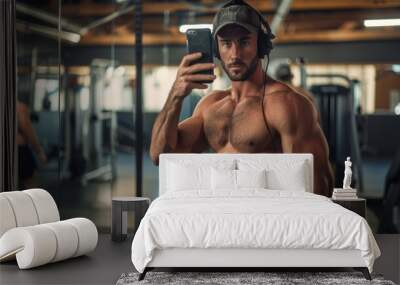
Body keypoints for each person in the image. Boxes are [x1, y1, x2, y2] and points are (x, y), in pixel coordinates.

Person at [150, 0, 333, 197]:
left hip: (268, 218)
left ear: (261, 46)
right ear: (216, 49)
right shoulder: (210, 106)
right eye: (226, 44)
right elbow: (161, 155)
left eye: (244, 42)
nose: (234, 54)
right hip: (224, 215)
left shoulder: (287, 105)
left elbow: (318, 185)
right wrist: (175, 95)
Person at [17, 100, 47, 188]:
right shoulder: (18, 107)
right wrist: (39, 151)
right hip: (19, 151)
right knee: (32, 187)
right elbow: (27, 130)